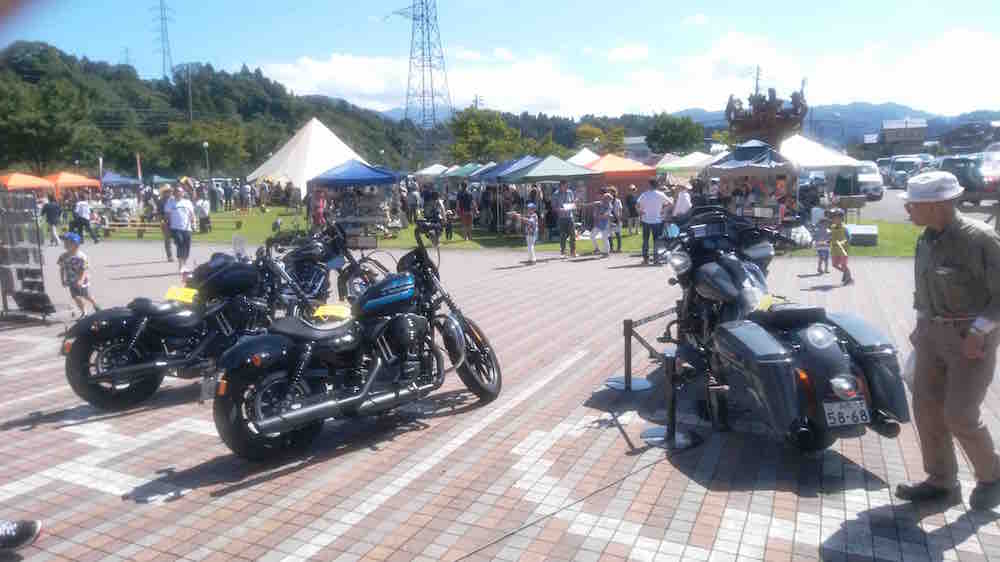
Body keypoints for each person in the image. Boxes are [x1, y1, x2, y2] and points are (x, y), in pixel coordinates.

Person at [896, 171, 1000, 510]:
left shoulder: (980, 239)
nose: (908, 210)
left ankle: (992, 476)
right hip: (931, 335)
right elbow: (925, 289)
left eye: (913, 204)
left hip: (970, 338)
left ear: (938, 205)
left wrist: (979, 331)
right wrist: (920, 326)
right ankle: (942, 482)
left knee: (960, 414)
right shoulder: (925, 239)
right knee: (926, 409)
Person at [57, 232, 99, 317]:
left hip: (82, 281)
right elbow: (61, 268)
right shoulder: (63, 256)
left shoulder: (81, 256)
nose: (65, 244)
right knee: (75, 297)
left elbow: (84, 269)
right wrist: (62, 280)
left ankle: (95, 304)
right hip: (71, 281)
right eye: (65, 242)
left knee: (86, 295)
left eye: (67, 242)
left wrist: (81, 280)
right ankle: (84, 312)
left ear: (75, 245)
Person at [637, 181, 671, 264]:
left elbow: (637, 205)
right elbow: (670, 203)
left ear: (649, 185)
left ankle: (645, 259)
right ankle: (656, 258)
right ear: (656, 185)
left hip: (646, 219)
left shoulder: (644, 194)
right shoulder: (660, 194)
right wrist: (663, 211)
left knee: (645, 240)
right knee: (656, 240)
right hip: (657, 220)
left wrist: (640, 211)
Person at [169, 187, 196, 273]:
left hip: (187, 228)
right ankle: (180, 265)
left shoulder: (187, 202)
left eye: (180, 192)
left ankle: (184, 264)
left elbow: (192, 214)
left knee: (187, 246)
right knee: (180, 244)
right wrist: (166, 226)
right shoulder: (170, 202)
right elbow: (167, 215)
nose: (178, 194)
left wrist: (193, 224)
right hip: (175, 228)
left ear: (183, 193)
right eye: (176, 192)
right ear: (174, 194)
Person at [551, 180, 577, 257]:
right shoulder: (555, 194)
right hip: (561, 217)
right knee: (563, 235)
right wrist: (560, 209)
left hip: (570, 216)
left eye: (567, 186)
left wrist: (574, 204)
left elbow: (573, 203)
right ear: (560, 186)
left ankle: (573, 251)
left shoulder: (570, 192)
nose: (566, 187)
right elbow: (553, 207)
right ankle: (563, 252)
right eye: (565, 186)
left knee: (572, 235)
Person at [829, 208, 853, 285]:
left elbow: (849, 238)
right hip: (834, 249)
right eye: (833, 217)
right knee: (834, 264)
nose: (834, 219)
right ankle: (846, 274)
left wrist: (843, 242)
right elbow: (832, 236)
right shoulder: (832, 227)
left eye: (836, 217)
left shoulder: (844, 228)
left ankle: (848, 278)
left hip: (843, 249)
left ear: (841, 218)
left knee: (843, 265)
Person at [589, 192, 613, 258]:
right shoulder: (600, 203)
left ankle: (606, 252)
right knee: (592, 236)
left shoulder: (610, 206)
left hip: (605, 224)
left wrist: (599, 216)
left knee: (605, 238)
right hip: (598, 224)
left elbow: (606, 215)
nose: (605, 199)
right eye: (605, 198)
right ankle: (597, 248)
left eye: (607, 199)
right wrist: (583, 205)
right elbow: (592, 204)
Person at [159, 187, 175, 262]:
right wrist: (161, 220)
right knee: (167, 240)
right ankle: (170, 256)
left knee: (178, 239)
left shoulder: (174, 200)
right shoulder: (161, 201)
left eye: (170, 191)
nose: (169, 193)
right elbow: (159, 212)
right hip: (165, 222)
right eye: (167, 191)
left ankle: (180, 254)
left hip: (175, 221)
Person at [608, 187, 623, 253]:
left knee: (618, 234)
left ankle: (619, 248)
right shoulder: (607, 201)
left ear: (615, 193)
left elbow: (620, 210)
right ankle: (611, 248)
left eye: (612, 192)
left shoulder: (618, 201)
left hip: (617, 218)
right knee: (609, 234)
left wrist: (619, 218)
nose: (610, 193)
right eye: (609, 192)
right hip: (609, 219)